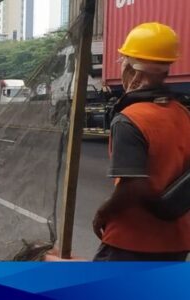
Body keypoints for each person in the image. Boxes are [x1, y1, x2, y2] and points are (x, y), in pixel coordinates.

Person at [92, 22, 190, 261]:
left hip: (130, 241)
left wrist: (102, 213)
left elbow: (133, 187)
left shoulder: (129, 119)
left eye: (124, 61)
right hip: (175, 242)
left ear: (134, 70)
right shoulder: (183, 114)